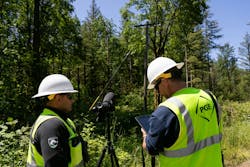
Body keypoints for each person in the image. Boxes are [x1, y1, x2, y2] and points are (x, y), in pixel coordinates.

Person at [141, 57, 223, 167]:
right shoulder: (209, 97)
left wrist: (145, 136)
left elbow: (151, 148)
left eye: (156, 87)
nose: (158, 92)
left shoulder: (166, 111)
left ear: (165, 81)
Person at [27, 74, 88, 167]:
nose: (72, 101)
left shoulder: (64, 121)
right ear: (58, 98)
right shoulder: (50, 126)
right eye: (70, 97)